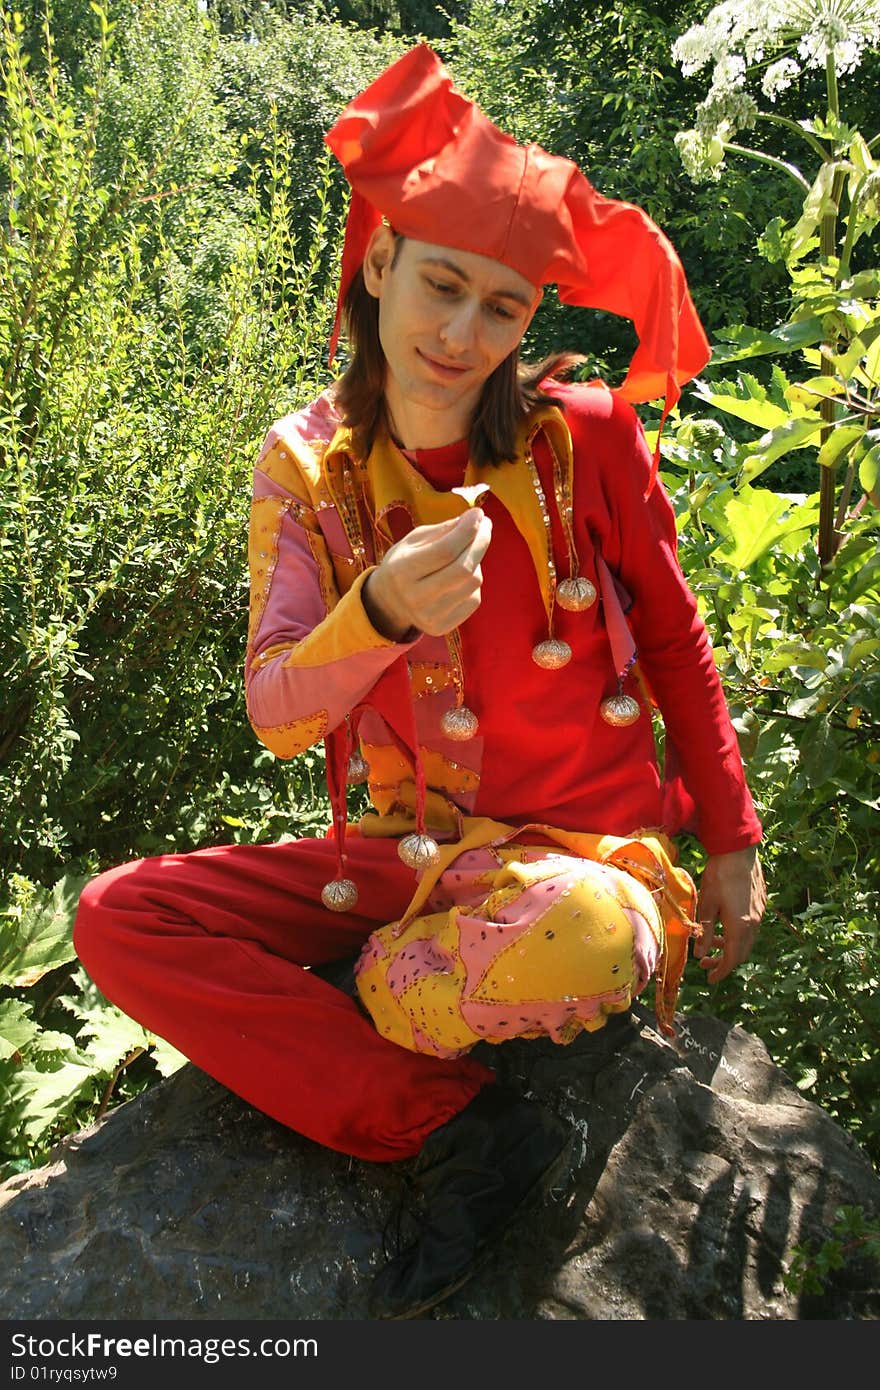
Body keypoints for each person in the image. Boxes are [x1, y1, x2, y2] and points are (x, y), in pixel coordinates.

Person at [73, 43, 767, 1319]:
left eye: (501, 308)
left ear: (528, 322)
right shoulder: (306, 468)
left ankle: (389, 1000)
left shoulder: (589, 439)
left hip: (578, 867)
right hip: (403, 864)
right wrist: (379, 609)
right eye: (439, 284)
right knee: (117, 917)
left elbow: (675, 640)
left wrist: (728, 838)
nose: (459, 335)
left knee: (589, 934)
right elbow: (280, 717)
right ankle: (449, 1124)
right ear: (378, 263)